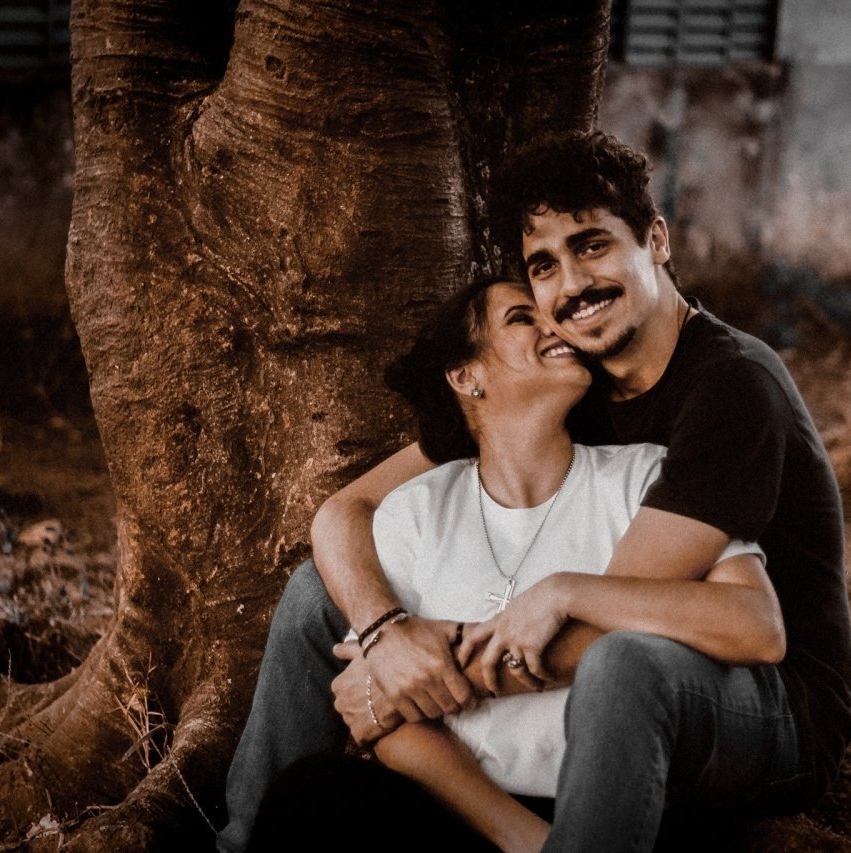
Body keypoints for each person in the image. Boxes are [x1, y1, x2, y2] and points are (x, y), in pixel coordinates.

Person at [218, 130, 851, 852]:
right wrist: (384, 636)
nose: (572, 286)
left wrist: (404, 685)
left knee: (621, 664)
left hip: (763, 702)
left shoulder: (730, 387)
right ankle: (241, 842)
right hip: (609, 673)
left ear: (656, 240)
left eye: (592, 246)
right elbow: (346, 512)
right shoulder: (573, 379)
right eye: (544, 267)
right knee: (318, 594)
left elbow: (608, 618)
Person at [247, 275, 773, 852]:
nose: (556, 325)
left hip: (618, 806)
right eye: (524, 317)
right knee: (307, 799)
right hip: (475, 810)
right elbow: (388, 716)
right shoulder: (417, 509)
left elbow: (752, 621)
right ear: (466, 376)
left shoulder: (644, 476)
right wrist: (524, 838)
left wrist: (566, 592)